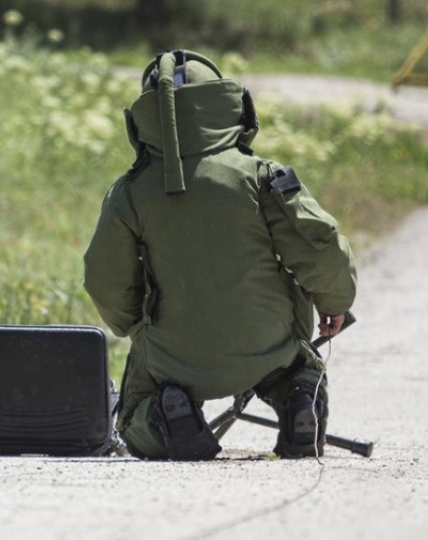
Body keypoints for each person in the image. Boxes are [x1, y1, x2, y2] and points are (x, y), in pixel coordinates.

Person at [83, 50, 356, 460]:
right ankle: (300, 402)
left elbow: (106, 281)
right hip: (270, 345)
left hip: (172, 358)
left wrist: (135, 328)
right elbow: (318, 243)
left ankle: (167, 415)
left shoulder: (128, 194)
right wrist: (335, 303)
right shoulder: (262, 175)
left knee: (132, 417)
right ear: (229, 104)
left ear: (143, 117)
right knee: (299, 369)